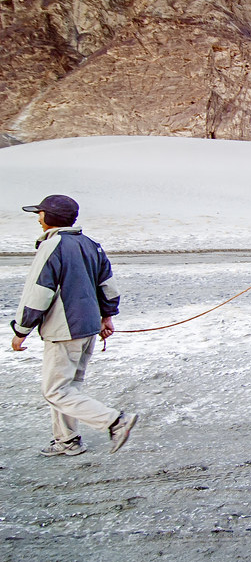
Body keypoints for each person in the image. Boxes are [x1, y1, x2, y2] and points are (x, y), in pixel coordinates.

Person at [10, 194, 137, 456]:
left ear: (50, 217)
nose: (38, 218)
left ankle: (115, 421)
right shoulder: (91, 244)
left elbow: (38, 293)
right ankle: (67, 441)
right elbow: (108, 286)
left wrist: (21, 330)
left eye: (40, 213)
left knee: (55, 391)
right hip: (88, 328)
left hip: (64, 330)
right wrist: (106, 317)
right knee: (69, 388)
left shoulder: (52, 246)